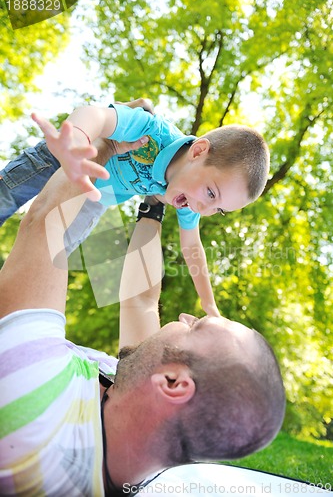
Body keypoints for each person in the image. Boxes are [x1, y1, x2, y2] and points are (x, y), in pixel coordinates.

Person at [0, 153, 285, 495]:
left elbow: (49, 224)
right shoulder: (135, 444)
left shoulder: (38, 406)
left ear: (173, 383)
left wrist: (105, 143)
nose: (185, 316)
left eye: (197, 327)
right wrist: (154, 203)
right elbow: (142, 300)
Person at [0, 100, 270, 317]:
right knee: (7, 195)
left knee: (47, 253)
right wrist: (77, 142)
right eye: (212, 193)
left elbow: (192, 247)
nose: (203, 208)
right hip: (71, 156)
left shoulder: (190, 198)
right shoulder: (152, 132)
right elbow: (96, 116)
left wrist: (209, 305)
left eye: (218, 209)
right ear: (198, 152)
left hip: (95, 198)